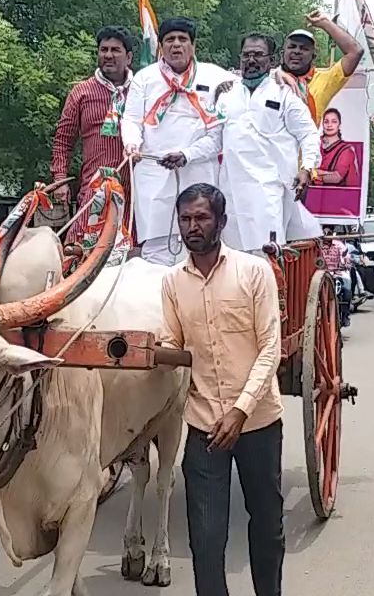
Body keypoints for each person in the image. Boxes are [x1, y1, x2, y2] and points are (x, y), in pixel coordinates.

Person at [159, 183, 284, 596]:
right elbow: (172, 345)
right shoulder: (173, 283)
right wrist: (146, 352)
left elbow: (271, 348)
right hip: (205, 426)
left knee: (267, 525)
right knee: (206, 541)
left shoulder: (254, 272)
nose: (192, 227)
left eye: (201, 217)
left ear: (221, 222)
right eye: (185, 219)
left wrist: (241, 410)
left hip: (258, 424)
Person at [122, 17, 234, 266]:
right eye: (170, 40)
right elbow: (130, 119)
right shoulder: (145, 78)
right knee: (156, 251)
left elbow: (218, 135)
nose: (176, 45)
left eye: (183, 39)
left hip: (198, 171)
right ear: (161, 46)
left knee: (200, 242)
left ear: (193, 46)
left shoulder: (216, 76)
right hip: (153, 172)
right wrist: (131, 143)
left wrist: (186, 155)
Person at [215, 32, 320, 251]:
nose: (251, 60)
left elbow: (308, 134)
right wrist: (184, 155)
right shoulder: (227, 96)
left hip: (269, 190)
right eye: (246, 55)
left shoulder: (284, 94)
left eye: (258, 55)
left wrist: (307, 168)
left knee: (266, 256)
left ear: (271, 60)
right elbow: (212, 139)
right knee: (233, 258)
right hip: (231, 191)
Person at [50, 26, 138, 241]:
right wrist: (60, 180)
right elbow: (63, 140)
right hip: (94, 190)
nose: (108, 55)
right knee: (80, 251)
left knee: (134, 258)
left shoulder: (142, 90)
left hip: (137, 192)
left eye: (115, 50)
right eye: (103, 49)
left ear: (128, 57)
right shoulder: (81, 92)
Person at [277, 10, 364, 126]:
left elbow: (355, 52)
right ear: (282, 53)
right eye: (292, 47)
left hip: (305, 143)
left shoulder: (324, 80)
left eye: (304, 48)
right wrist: (274, 74)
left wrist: (325, 23)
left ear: (313, 56)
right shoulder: (269, 78)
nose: (297, 51)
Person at [315, 109, 360, 187]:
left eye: (334, 121)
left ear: (339, 125)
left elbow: (337, 177)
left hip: (338, 195)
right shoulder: (314, 143)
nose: (329, 125)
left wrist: (314, 175)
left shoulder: (346, 150)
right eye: (326, 122)